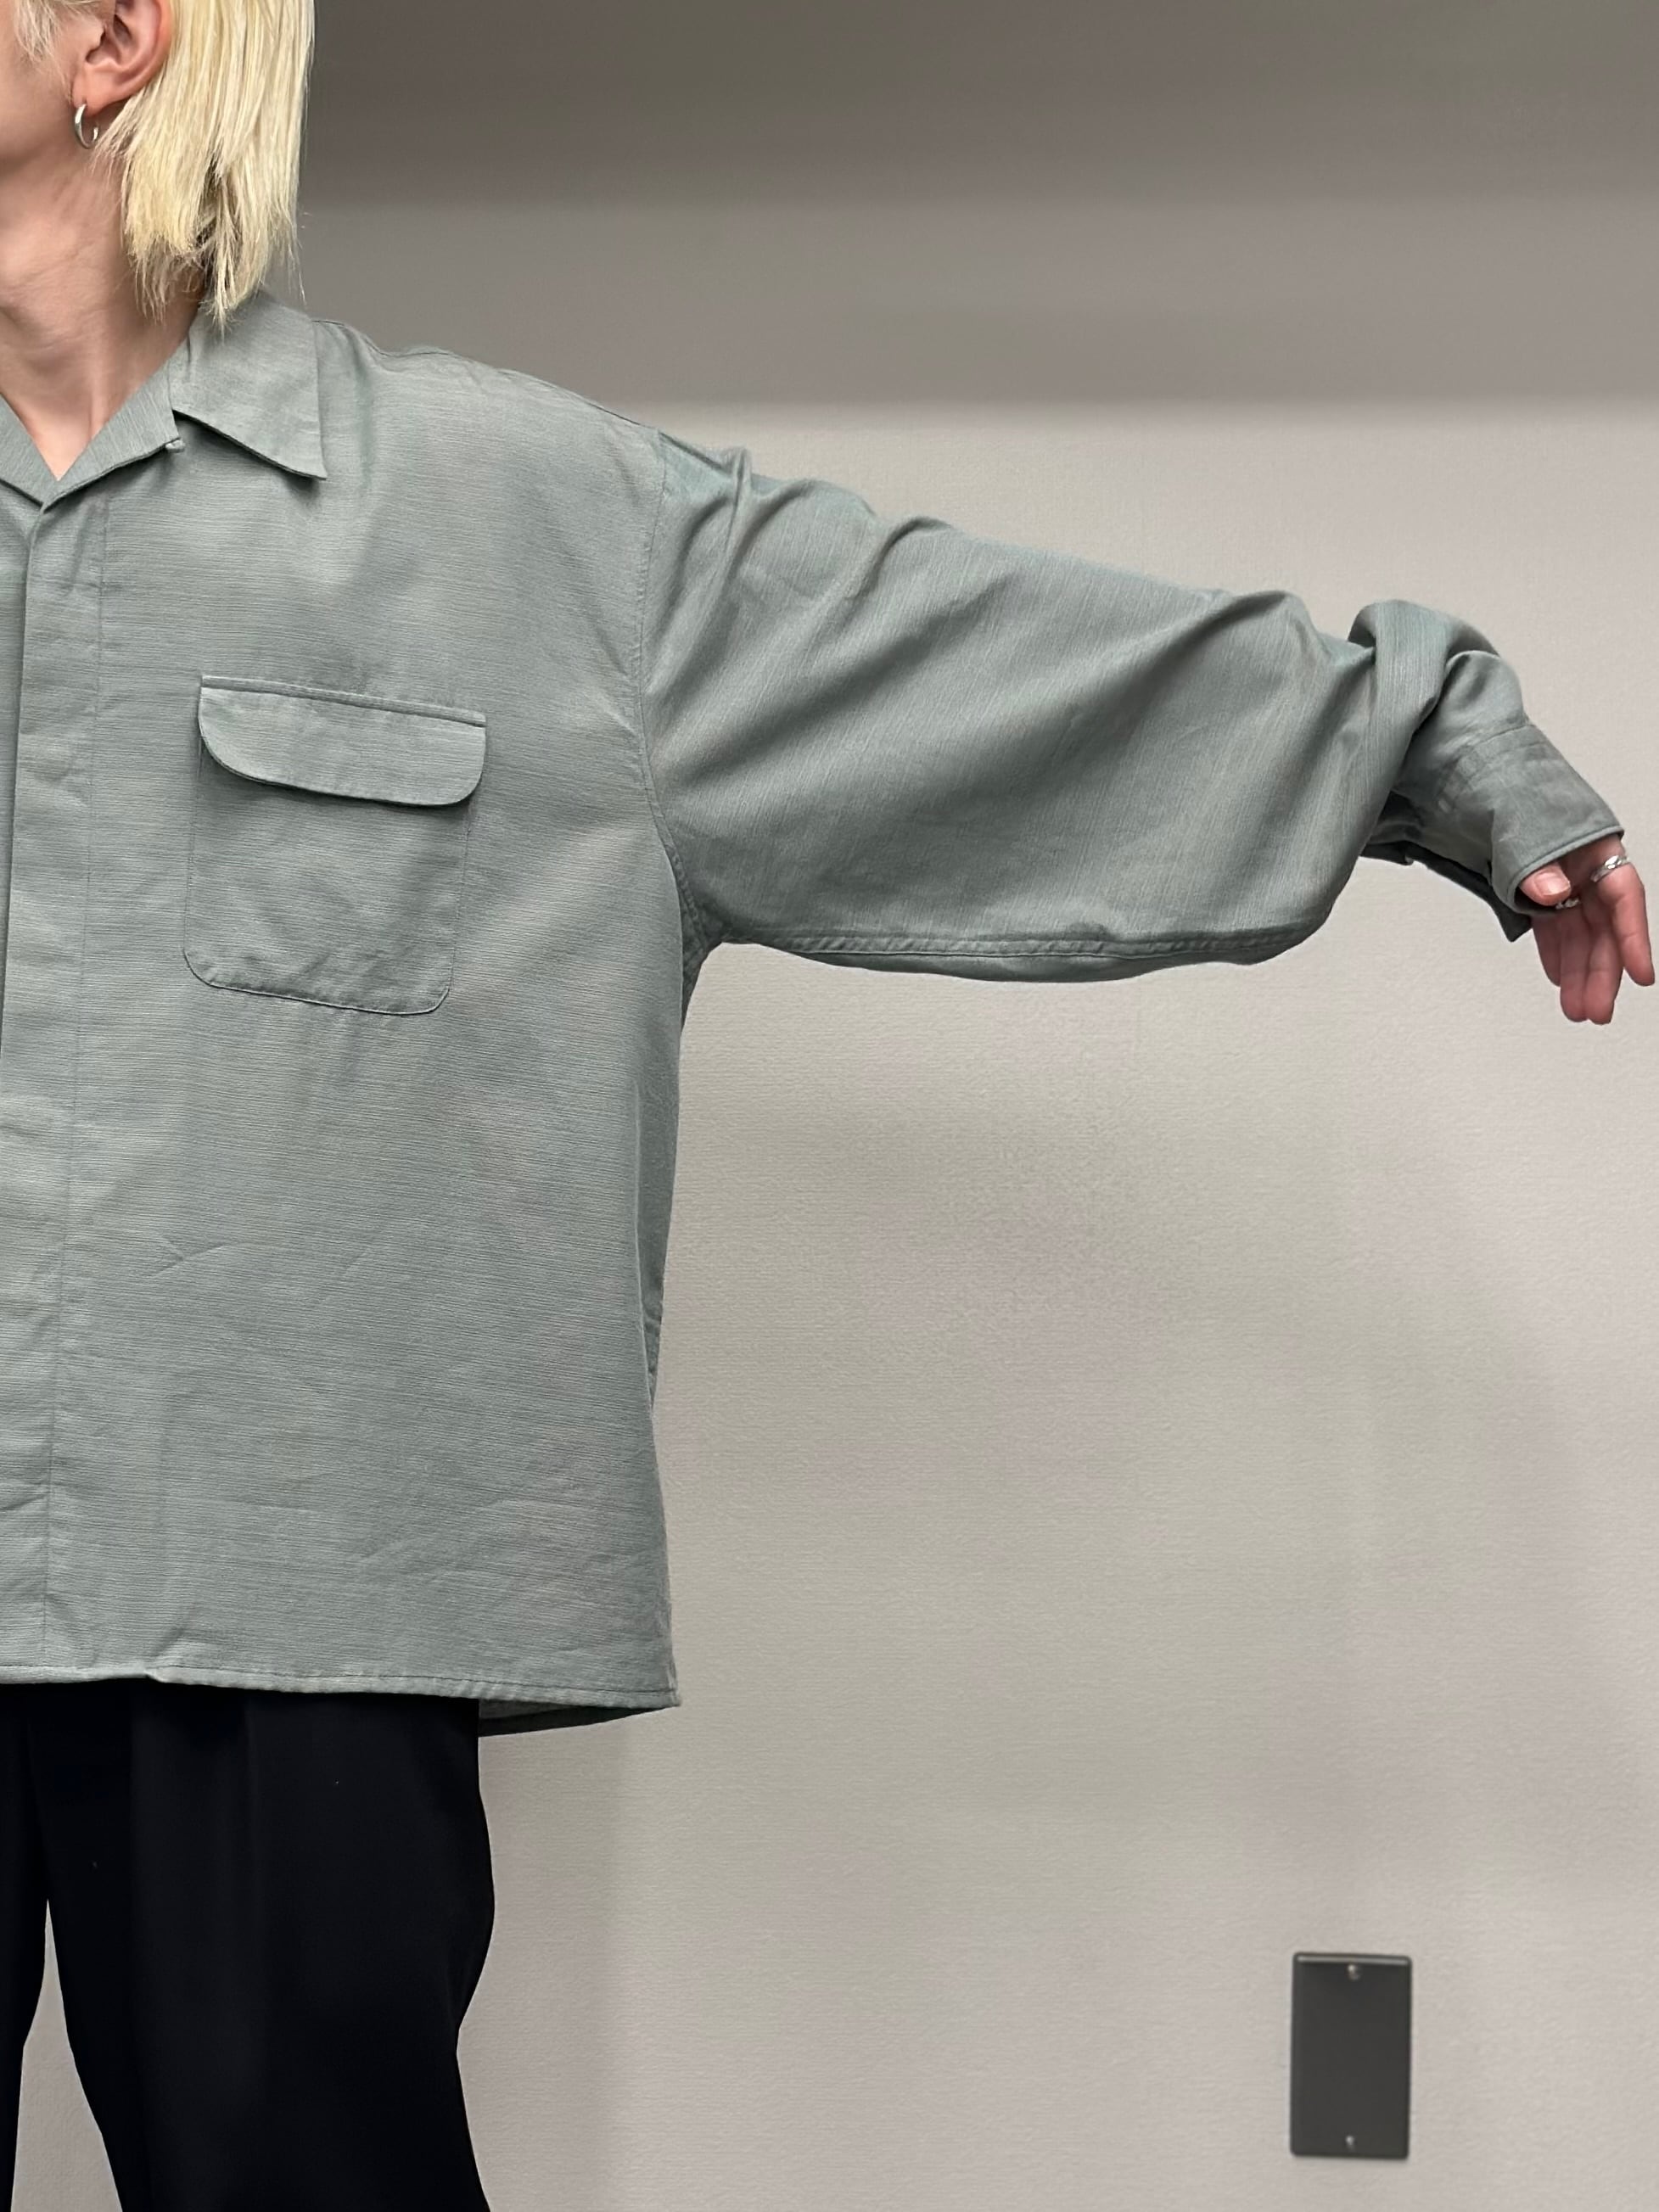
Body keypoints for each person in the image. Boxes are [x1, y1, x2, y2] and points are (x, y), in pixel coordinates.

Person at [0, 2, 1648, 2207]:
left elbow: (965, 664)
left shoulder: (527, 529)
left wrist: (1418, 741)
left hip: (286, 1604)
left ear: (117, 40)